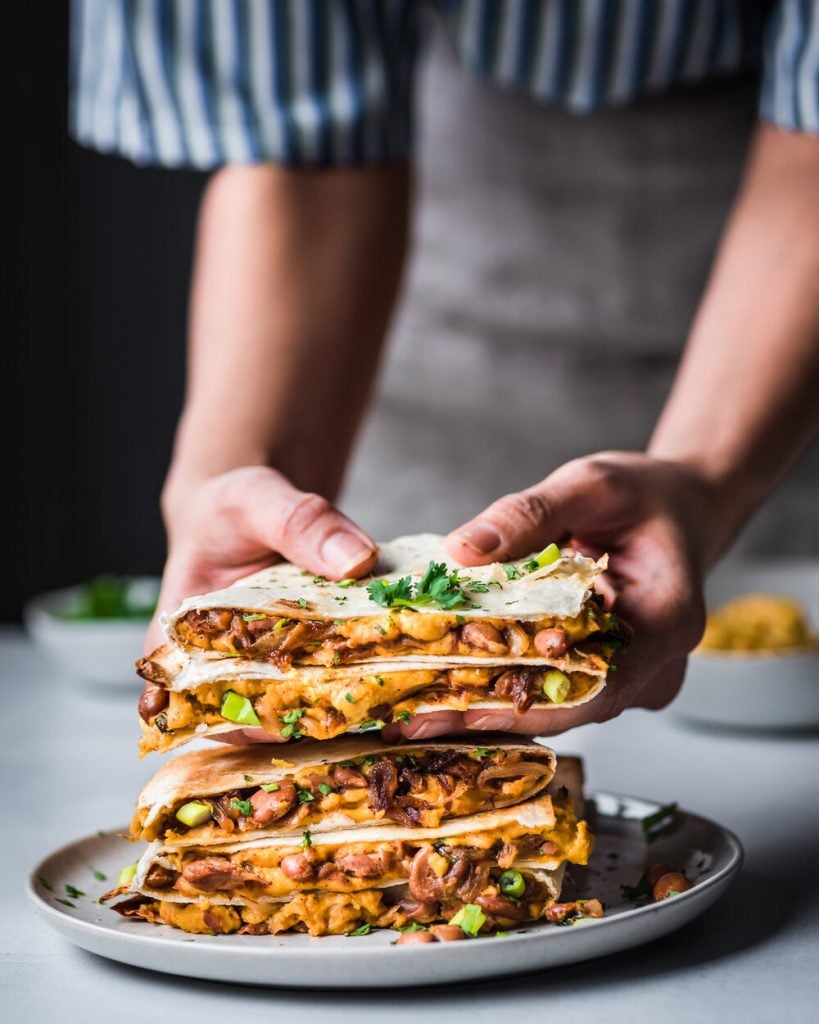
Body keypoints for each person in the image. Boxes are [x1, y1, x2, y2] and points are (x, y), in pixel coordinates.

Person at [71, 1, 819, 740]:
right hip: (408, 325)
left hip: (779, 353)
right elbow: (299, 142)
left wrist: (704, 478)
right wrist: (238, 483)